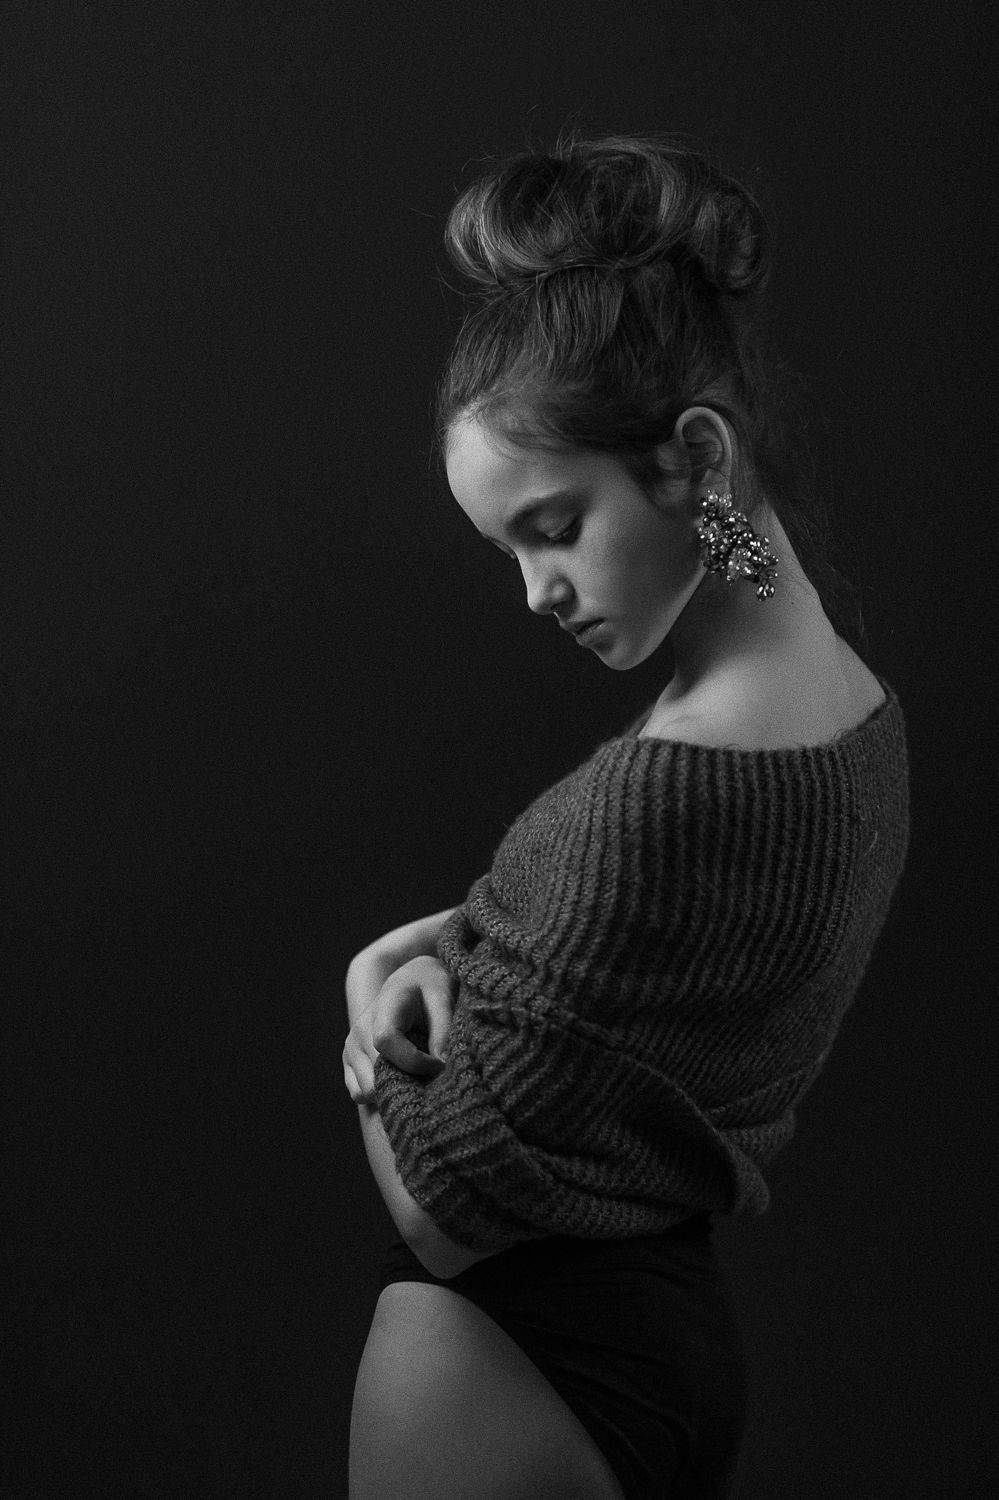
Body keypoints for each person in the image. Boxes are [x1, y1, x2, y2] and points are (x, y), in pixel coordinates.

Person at [342, 132, 911, 1498]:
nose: (537, 592)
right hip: (661, 1345)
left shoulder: (662, 795)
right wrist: (450, 948)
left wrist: (362, 1018)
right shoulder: (852, 712)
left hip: (510, 1357)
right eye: (508, 551)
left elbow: (444, 1202)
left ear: (695, 455)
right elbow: (611, 966)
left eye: (553, 527)